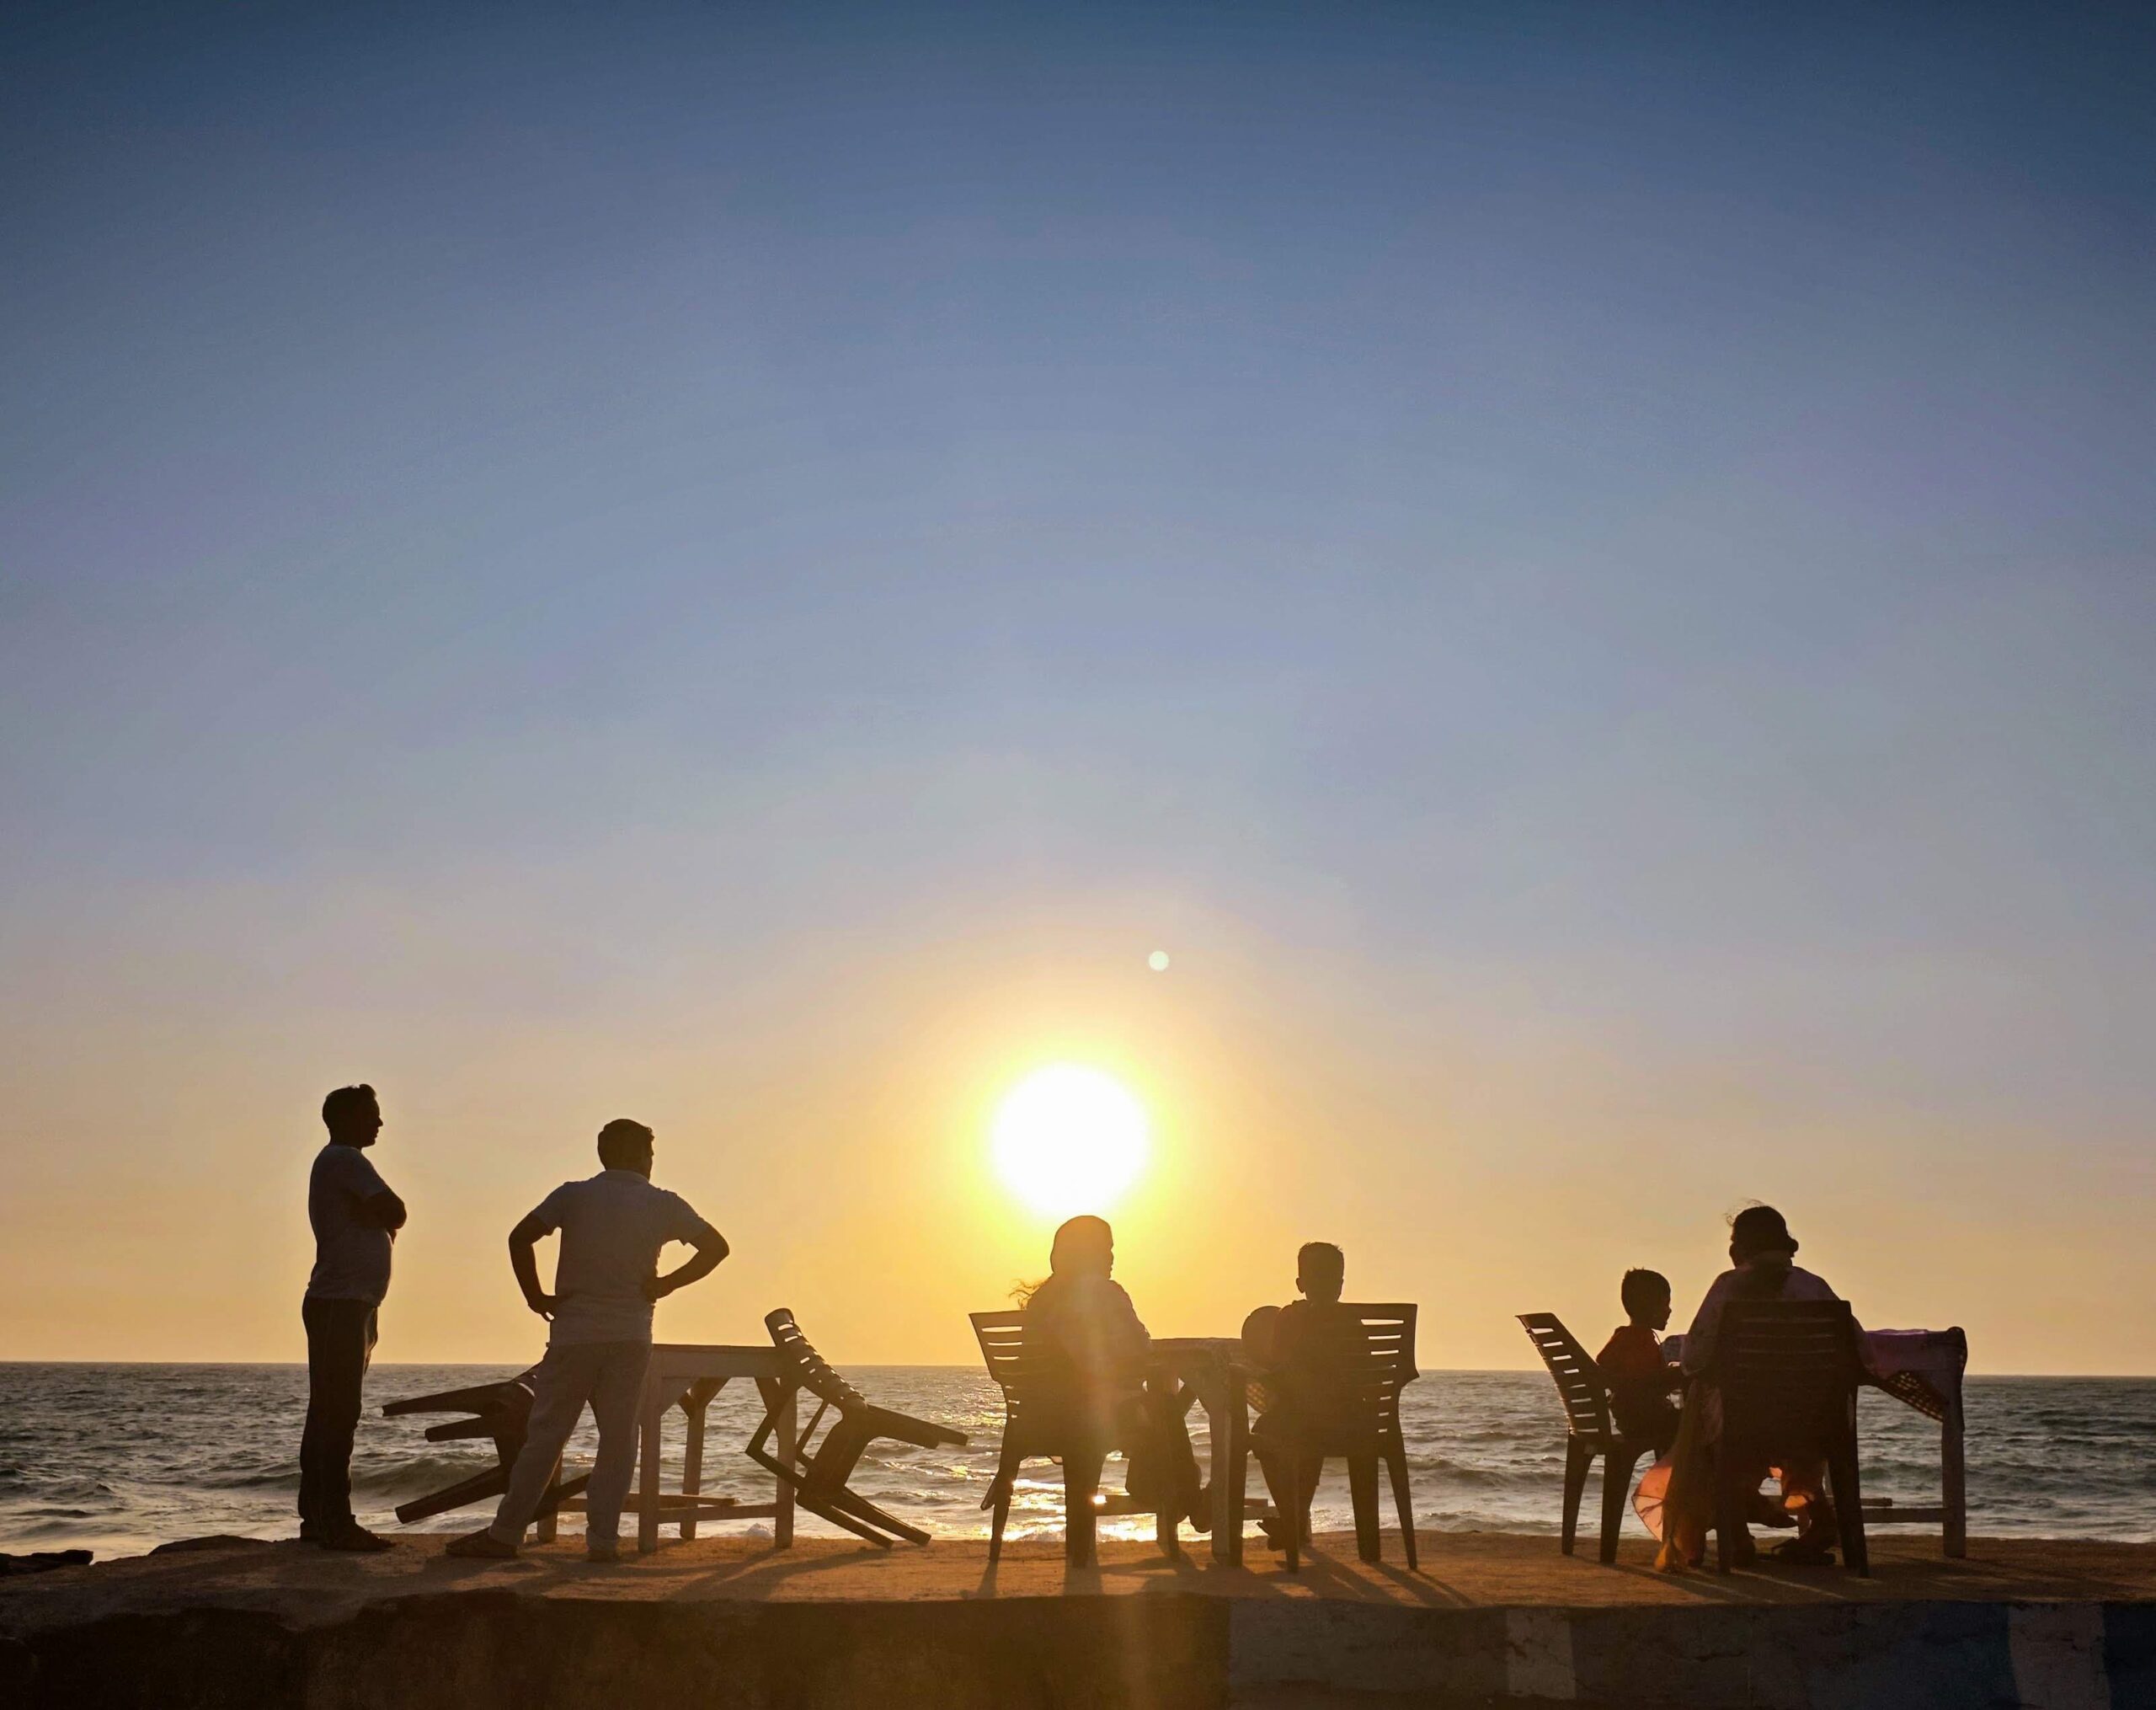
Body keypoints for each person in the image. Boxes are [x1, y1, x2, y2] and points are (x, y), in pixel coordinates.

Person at [447, 1119, 727, 1563]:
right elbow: (716, 1248)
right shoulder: (664, 1203)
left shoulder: (572, 1195)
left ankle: (505, 1534)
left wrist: (535, 1296)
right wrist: (667, 1284)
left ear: (603, 1153)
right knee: (618, 1440)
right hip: (630, 1334)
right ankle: (602, 1543)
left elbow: (520, 1237)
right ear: (642, 1156)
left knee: (547, 1437)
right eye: (650, 1154)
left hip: (573, 1334)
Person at [1654, 1205, 1863, 1570]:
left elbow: (1693, 1359)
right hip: (1814, 1425)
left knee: (1701, 1430)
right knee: (1793, 1430)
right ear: (1786, 1244)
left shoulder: (1727, 1288)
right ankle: (1821, 1520)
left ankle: (1737, 1537)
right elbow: (1861, 1352)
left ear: (1739, 1249)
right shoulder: (1814, 1288)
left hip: (1744, 1425)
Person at [1019, 1216, 1205, 1528]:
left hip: (1041, 1418)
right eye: (1105, 1249)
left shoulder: (1042, 1301)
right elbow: (1139, 1350)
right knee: (1164, 1406)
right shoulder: (1104, 1293)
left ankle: (1175, 1493)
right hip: (1091, 1417)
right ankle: (1185, 1499)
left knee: (1155, 1407)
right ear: (1087, 1254)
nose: (1111, 1257)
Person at [299, 1083, 406, 1551]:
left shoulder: (342, 1162)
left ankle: (320, 1519)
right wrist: (382, 1217)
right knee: (336, 1413)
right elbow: (396, 1211)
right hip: (338, 1303)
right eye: (371, 1114)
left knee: (333, 1411)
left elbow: (386, 1215)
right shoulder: (345, 1159)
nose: (379, 1122)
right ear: (344, 1118)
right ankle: (332, 1522)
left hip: (354, 1303)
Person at [1248, 1242, 1360, 1549]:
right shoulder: (1354, 1321)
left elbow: (1278, 1368)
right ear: (1340, 1284)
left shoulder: (1291, 1317)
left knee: (1264, 1433)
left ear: (1300, 1283)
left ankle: (1292, 1519)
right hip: (1352, 1423)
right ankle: (1294, 1522)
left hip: (1307, 1422)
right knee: (1306, 1435)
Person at [1597, 1269, 1682, 1455]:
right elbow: (1648, 1384)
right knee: (1701, 1423)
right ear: (1650, 1308)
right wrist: (1677, 1375)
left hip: (1628, 1420)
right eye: (1665, 1304)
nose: (1669, 1310)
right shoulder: (1640, 1341)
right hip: (1646, 1421)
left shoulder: (1622, 1337)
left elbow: (1603, 1364)